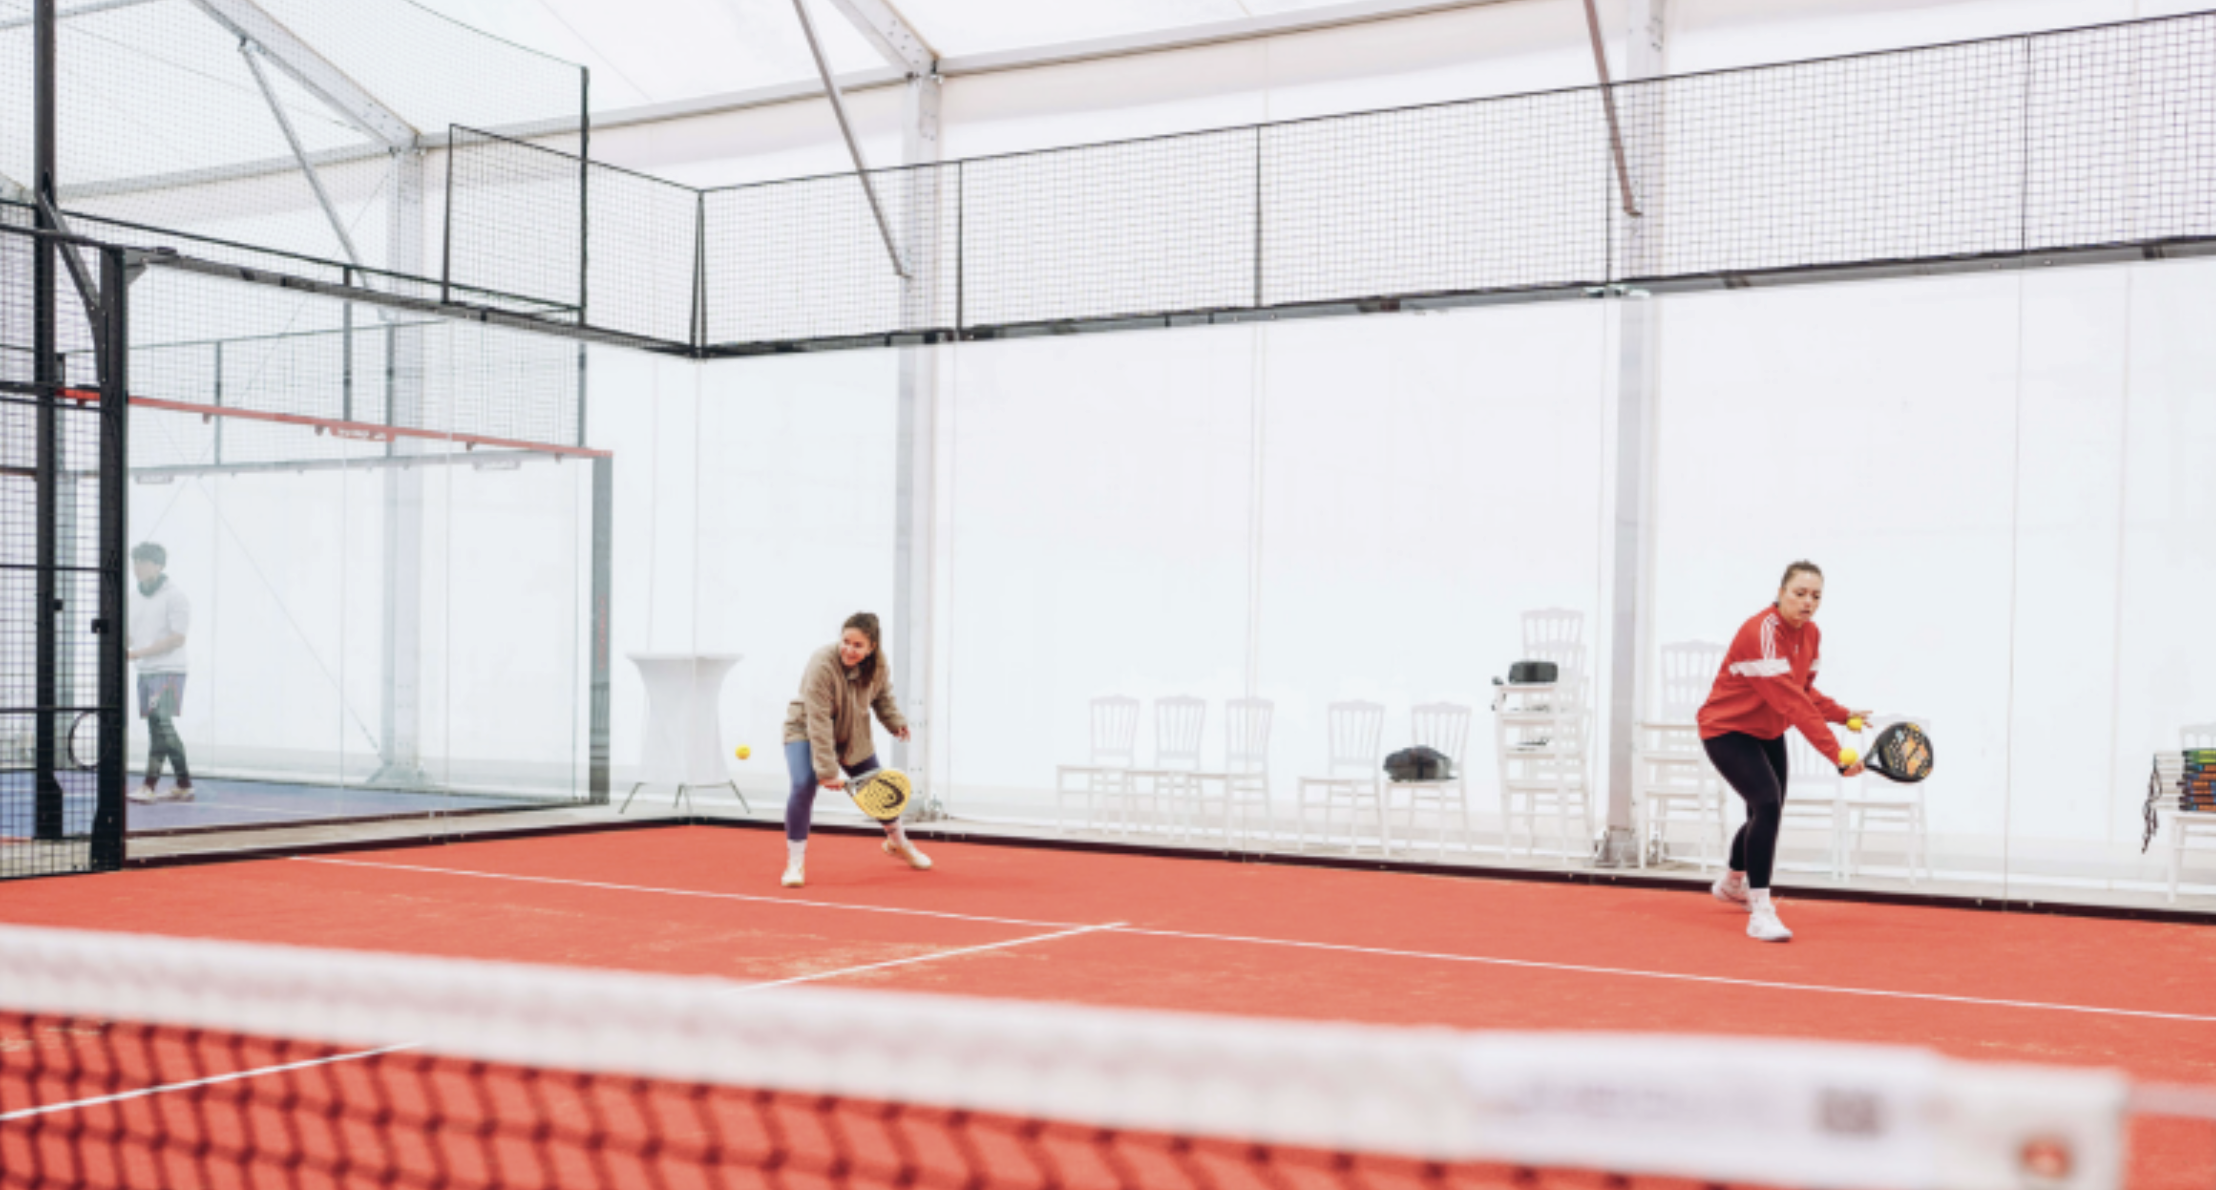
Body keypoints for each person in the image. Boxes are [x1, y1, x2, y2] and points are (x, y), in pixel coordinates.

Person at [1696, 561, 1870, 942]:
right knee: (1768, 805)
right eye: (1800, 593)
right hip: (1726, 729)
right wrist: (1838, 757)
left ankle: (1732, 883)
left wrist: (1844, 715)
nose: (1808, 602)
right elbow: (1792, 703)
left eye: (1816, 596)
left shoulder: (1811, 634)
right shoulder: (1761, 631)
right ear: (1781, 592)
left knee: (1764, 810)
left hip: (1768, 730)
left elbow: (1803, 691)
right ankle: (1760, 911)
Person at [780, 611, 932, 888]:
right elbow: (818, 720)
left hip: (852, 733)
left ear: (872, 647)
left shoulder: (879, 665)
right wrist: (826, 772)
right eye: (845, 641)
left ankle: (899, 843)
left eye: (857, 645)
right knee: (803, 785)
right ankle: (795, 863)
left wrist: (894, 722)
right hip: (805, 730)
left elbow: (882, 696)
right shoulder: (821, 663)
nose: (849, 649)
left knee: (878, 790)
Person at [126, 541, 194, 805]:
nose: (137, 567)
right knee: (159, 727)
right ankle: (183, 784)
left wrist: (138, 654)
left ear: (159, 566)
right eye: (135, 562)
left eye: (143, 562)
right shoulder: (134, 597)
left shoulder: (175, 596)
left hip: (169, 671)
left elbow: (178, 638)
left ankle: (149, 785)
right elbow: (133, 635)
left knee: (161, 725)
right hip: (145, 671)